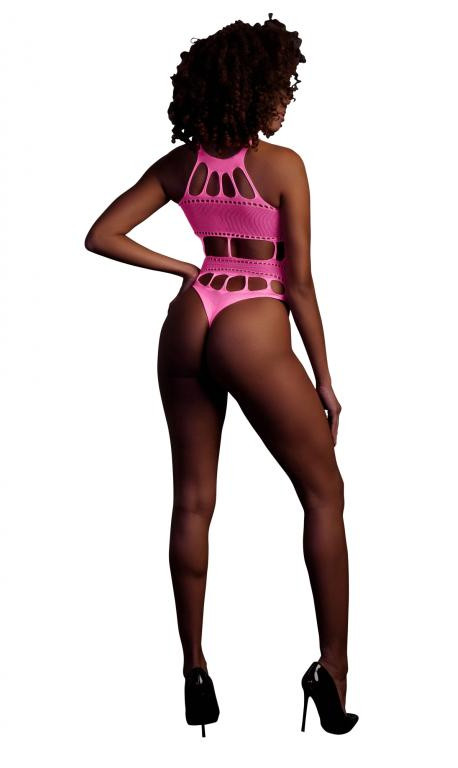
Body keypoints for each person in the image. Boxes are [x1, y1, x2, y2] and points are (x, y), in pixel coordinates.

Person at [84, 13, 358, 737]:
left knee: (193, 501)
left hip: (190, 317)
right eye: (280, 88)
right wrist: (324, 379)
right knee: (324, 493)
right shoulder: (284, 166)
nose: (285, 100)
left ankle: (194, 669)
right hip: (252, 323)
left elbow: (101, 234)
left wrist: (186, 267)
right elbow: (299, 284)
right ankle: (332, 672)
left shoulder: (180, 167)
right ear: (257, 89)